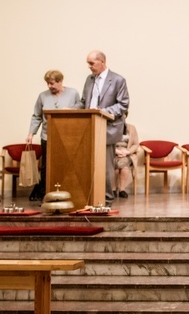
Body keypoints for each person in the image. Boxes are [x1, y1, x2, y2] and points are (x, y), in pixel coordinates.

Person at [75, 50, 130, 204]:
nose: (89, 67)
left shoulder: (118, 80)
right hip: (88, 127)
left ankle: (106, 198)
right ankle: (88, 195)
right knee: (87, 164)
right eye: (88, 64)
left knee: (105, 166)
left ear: (102, 62)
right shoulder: (89, 79)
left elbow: (123, 104)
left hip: (107, 127)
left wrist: (103, 112)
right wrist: (71, 109)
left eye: (91, 63)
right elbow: (84, 101)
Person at [26, 70, 80, 201]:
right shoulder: (43, 96)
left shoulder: (73, 93)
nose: (49, 86)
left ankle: (67, 191)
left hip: (67, 137)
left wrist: (71, 109)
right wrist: (31, 133)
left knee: (66, 165)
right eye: (47, 83)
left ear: (60, 81)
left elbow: (80, 107)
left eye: (52, 83)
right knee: (46, 166)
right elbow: (37, 116)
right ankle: (45, 193)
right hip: (48, 137)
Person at [113, 113, 139, 198]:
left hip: (127, 153)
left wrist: (127, 152)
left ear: (126, 116)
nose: (122, 117)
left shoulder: (131, 128)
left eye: (123, 115)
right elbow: (106, 143)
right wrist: (116, 151)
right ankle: (113, 189)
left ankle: (122, 190)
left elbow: (135, 144)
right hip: (113, 152)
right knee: (115, 168)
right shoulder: (110, 126)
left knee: (124, 167)